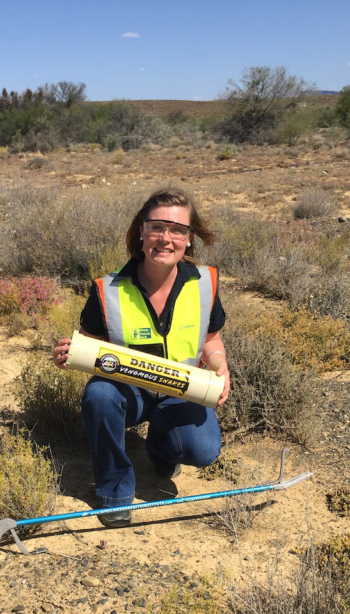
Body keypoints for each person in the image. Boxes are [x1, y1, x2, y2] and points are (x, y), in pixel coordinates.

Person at [53, 188, 230, 528]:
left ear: (189, 238)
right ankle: (114, 492)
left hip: (183, 389)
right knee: (99, 395)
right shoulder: (108, 289)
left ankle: (161, 450)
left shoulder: (205, 283)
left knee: (203, 450)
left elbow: (211, 339)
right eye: (156, 227)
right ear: (141, 231)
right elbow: (90, 345)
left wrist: (220, 365)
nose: (165, 238)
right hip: (128, 391)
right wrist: (66, 353)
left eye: (177, 230)